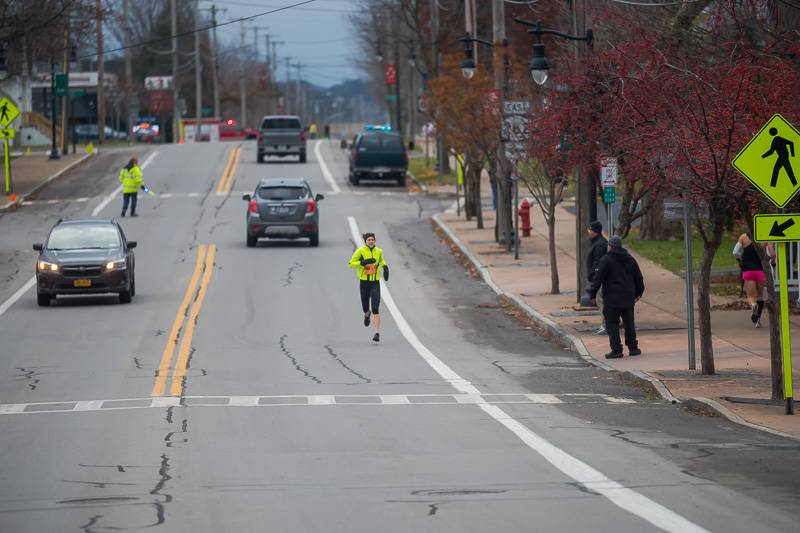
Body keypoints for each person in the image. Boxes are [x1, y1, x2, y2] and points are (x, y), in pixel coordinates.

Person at [583, 236, 644, 359]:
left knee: (612, 325)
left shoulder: (606, 260)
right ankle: (633, 348)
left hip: (612, 298)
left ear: (610, 246)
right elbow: (639, 278)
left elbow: (598, 278)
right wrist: (638, 293)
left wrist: (592, 293)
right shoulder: (630, 259)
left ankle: (616, 350)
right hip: (627, 297)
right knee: (629, 324)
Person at [349, 232, 389, 342]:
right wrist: (362, 262)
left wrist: (385, 267)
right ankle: (367, 315)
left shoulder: (379, 251)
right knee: (366, 308)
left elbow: (381, 260)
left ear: (375, 240)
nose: (371, 241)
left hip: (375, 282)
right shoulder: (360, 251)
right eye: (369, 240)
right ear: (365, 241)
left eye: (372, 239)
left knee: (375, 307)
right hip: (364, 283)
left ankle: (377, 333)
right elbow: (351, 263)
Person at [733, 233, 774, 328]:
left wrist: (740, 258)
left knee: (751, 296)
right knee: (760, 296)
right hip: (760, 271)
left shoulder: (743, 237)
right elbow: (772, 254)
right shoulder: (765, 237)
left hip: (748, 271)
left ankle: (753, 305)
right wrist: (773, 262)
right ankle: (757, 321)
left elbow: (735, 252)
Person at [586, 221, 608, 334]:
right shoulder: (596, 242)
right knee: (601, 301)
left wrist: (593, 275)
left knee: (601, 301)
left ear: (595, 231)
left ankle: (606, 325)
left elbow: (597, 262)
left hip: (599, 277)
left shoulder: (600, 244)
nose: (588, 231)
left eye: (590, 229)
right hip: (598, 276)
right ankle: (607, 323)